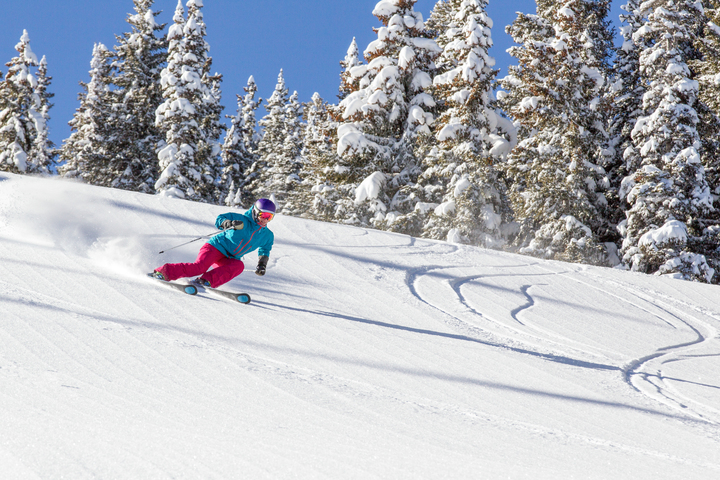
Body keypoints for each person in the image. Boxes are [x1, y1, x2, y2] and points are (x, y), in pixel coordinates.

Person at [152, 198, 276, 288]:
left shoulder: (267, 235)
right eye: (263, 215)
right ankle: (162, 272)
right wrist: (229, 224)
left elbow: (265, 249)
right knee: (199, 267)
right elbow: (220, 218)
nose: (265, 219)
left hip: (230, 257)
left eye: (269, 217)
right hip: (216, 247)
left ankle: (205, 281)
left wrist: (262, 265)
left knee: (238, 266)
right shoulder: (241, 220)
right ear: (255, 211)